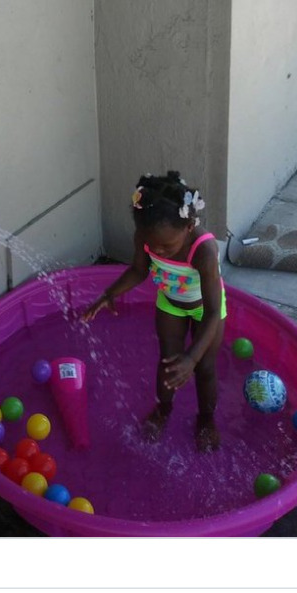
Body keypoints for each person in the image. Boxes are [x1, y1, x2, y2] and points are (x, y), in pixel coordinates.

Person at [83, 171, 226, 451]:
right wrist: (109, 294)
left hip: (204, 311)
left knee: (205, 368)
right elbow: (139, 269)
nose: (160, 250)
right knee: (167, 361)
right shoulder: (145, 237)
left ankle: (207, 419)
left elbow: (211, 311)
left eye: (168, 245)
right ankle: (163, 410)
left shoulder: (203, 250)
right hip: (170, 303)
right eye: (154, 244)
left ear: (188, 227)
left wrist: (193, 357)